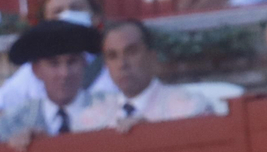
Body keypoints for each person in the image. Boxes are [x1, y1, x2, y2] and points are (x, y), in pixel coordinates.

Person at [0, 0, 114, 117]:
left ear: (95, 16)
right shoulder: (32, 73)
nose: (66, 16)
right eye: (57, 12)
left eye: (75, 8)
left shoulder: (114, 61)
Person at [0, 18, 109, 151]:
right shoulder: (13, 123)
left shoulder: (112, 109)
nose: (64, 73)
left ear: (84, 63)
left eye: (72, 62)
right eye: (54, 64)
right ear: (36, 70)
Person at [78, 20, 213, 131]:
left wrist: (152, 134)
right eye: (113, 56)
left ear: (152, 57)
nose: (122, 64)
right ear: (106, 66)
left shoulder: (191, 109)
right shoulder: (92, 120)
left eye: (131, 52)